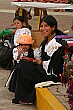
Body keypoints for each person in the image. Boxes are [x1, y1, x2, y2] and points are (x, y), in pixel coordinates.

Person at [8, 15, 67, 104]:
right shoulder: (45, 43)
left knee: (25, 67)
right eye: (41, 26)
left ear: (53, 27)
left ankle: (25, 97)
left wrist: (36, 61)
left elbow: (53, 66)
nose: (43, 29)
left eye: (46, 26)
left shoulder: (57, 43)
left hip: (51, 74)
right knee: (21, 63)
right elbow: (38, 57)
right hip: (44, 69)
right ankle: (21, 94)